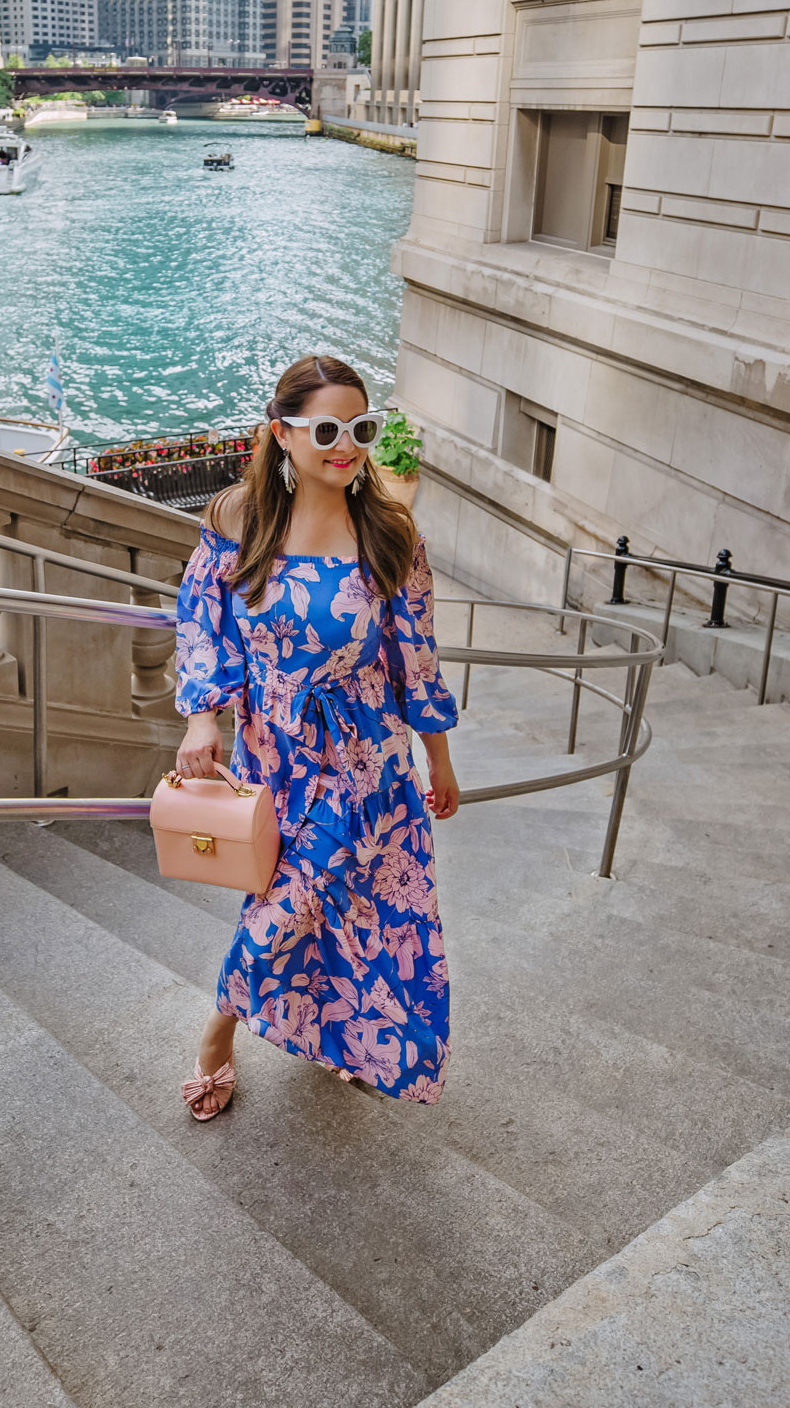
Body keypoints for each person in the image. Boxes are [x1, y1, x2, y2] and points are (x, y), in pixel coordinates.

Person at [173, 353, 460, 1121]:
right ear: (283, 433)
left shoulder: (390, 534)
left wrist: (439, 758)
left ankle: (216, 1037)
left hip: (366, 764)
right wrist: (203, 715)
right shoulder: (241, 519)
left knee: (334, 907)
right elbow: (204, 622)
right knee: (292, 904)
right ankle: (331, 1038)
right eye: (328, 428)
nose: (348, 445)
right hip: (272, 757)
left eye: (361, 428)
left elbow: (415, 654)